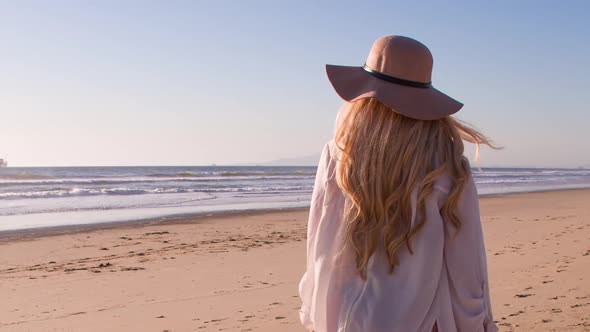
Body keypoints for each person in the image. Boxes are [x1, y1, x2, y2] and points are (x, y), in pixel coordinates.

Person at [298, 35, 499, 332]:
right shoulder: (449, 165)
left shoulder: (340, 154)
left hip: (356, 317)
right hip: (428, 318)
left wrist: (314, 311)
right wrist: (480, 323)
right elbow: (466, 262)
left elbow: (322, 244)